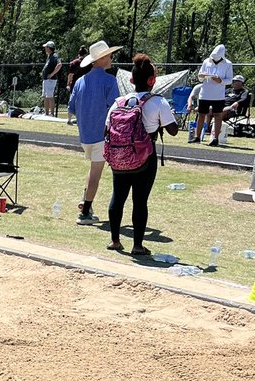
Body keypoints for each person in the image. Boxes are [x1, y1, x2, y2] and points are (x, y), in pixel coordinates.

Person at [105, 54, 178, 256]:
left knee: (117, 197)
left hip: (119, 157)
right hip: (144, 158)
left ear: (131, 80)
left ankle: (114, 241)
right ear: (152, 80)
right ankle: (137, 245)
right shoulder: (158, 102)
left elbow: (107, 130)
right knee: (140, 200)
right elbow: (173, 130)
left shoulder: (119, 102)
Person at [67, 39, 121, 225]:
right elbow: (115, 108)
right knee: (96, 174)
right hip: (102, 134)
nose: (112, 58)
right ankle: (85, 212)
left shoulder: (81, 81)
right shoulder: (109, 80)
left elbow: (71, 107)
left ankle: (86, 202)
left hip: (85, 134)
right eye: (109, 55)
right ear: (103, 58)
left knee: (93, 170)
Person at [192, 43, 233, 146]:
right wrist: (202, 76)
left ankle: (215, 139)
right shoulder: (206, 61)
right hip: (205, 93)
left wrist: (220, 81)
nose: (214, 59)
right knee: (201, 115)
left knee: (217, 115)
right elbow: (200, 77)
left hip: (218, 95)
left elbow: (229, 80)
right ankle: (197, 137)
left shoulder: (228, 64)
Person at [66, 45, 89, 123]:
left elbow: (70, 75)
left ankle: (69, 119)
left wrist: (68, 83)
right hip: (85, 85)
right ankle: (80, 118)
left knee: (72, 101)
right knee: (83, 102)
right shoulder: (89, 63)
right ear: (86, 54)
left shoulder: (74, 62)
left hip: (75, 84)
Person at [40, 40, 61, 116]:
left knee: (50, 96)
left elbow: (59, 65)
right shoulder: (49, 56)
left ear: (49, 48)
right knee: (45, 96)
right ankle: (46, 113)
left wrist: (52, 74)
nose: (45, 49)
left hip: (51, 80)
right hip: (46, 79)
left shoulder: (55, 56)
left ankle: (52, 114)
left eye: (46, 47)